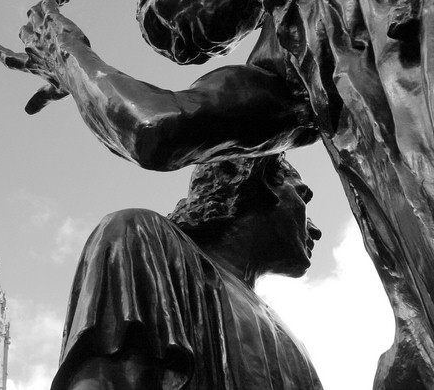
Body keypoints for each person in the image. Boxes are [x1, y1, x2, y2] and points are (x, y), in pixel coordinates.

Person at [0, 0, 434, 386]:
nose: (186, 45)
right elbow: (158, 129)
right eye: (175, 43)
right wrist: (67, 57)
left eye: (165, 15)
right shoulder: (295, 45)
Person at [53, 155, 322, 390]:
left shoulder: (293, 343)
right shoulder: (143, 235)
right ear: (265, 181)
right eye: (303, 194)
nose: (315, 229)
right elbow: (104, 378)